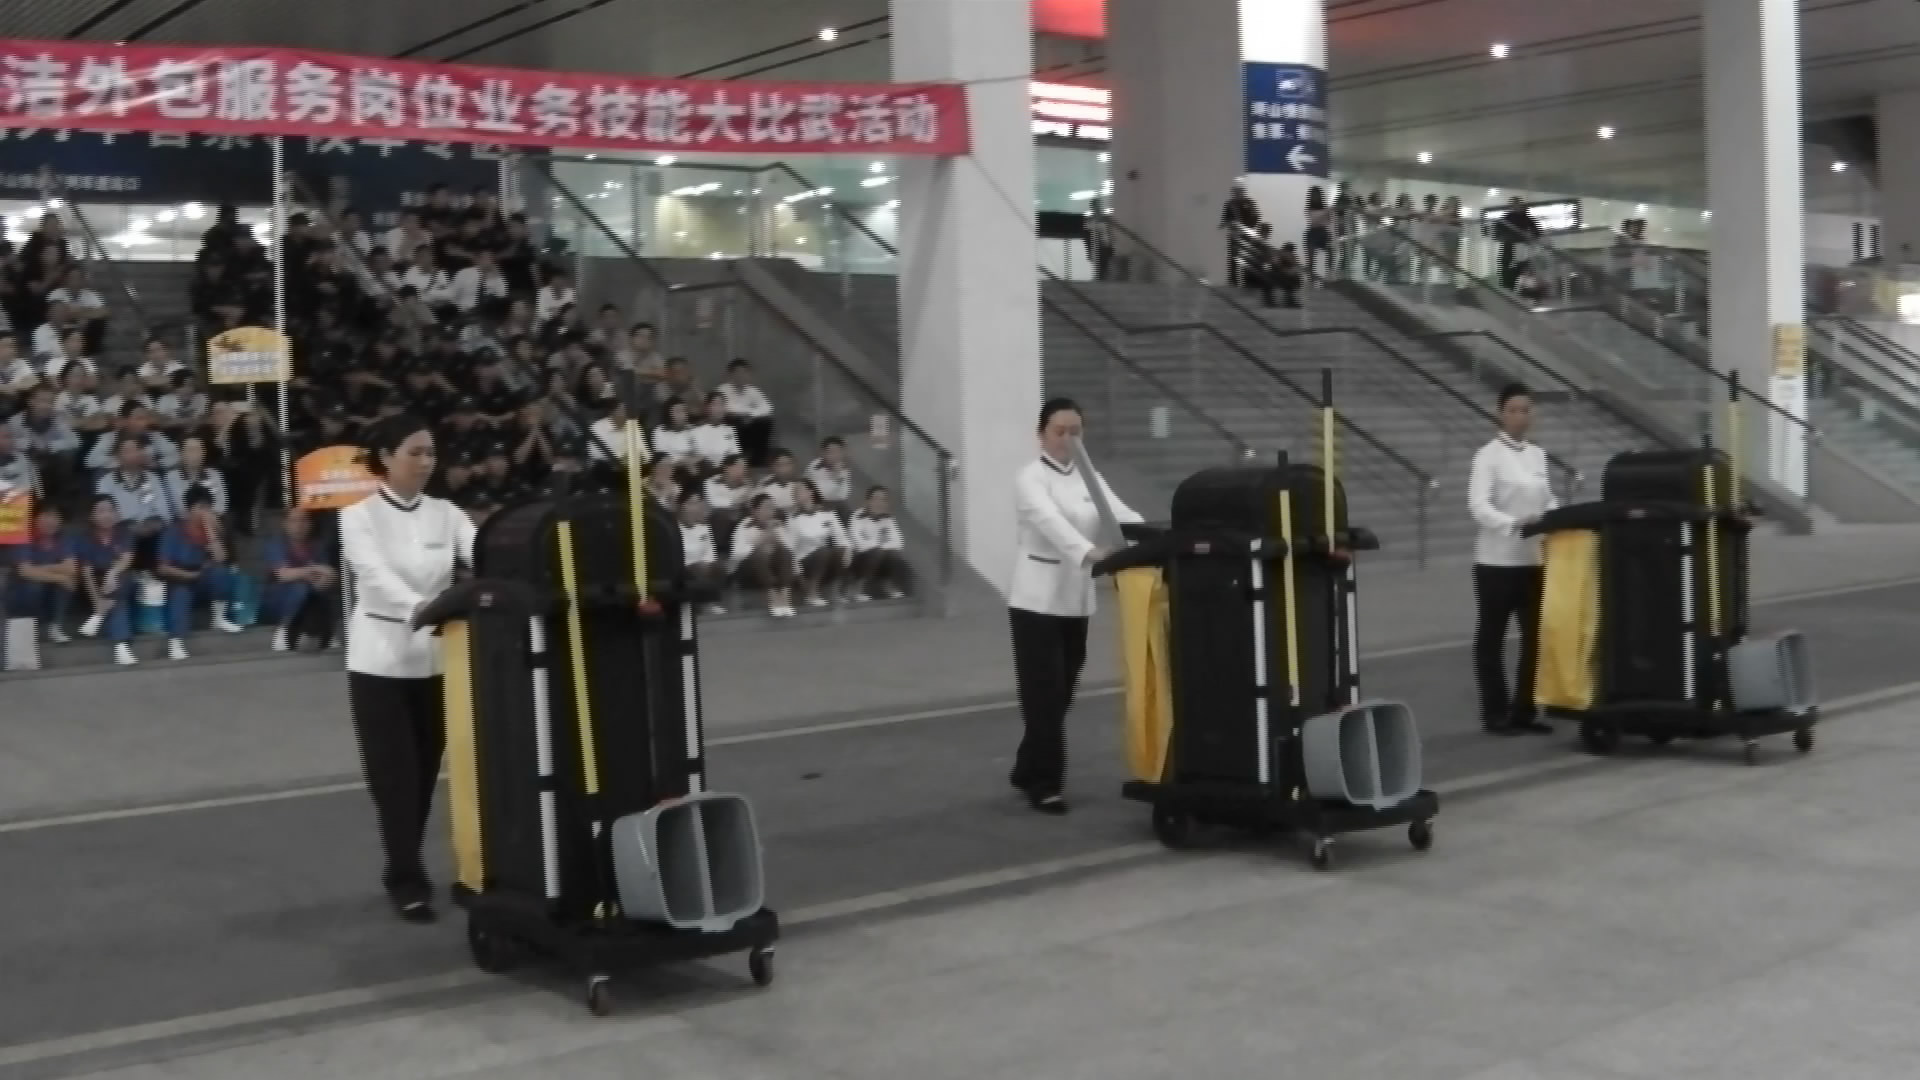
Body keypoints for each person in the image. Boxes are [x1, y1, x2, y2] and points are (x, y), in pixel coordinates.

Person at [339, 414, 477, 923]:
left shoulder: (447, 513)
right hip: (379, 660)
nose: (426, 461)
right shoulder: (357, 517)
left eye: (430, 452)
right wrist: (424, 608)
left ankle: (407, 863)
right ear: (386, 458)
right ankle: (404, 875)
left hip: (437, 662)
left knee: (423, 775)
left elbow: (484, 550)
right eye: (415, 452)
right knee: (393, 776)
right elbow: (374, 575)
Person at [1007, 398, 1141, 815]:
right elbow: (1051, 523)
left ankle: (1026, 767)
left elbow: (1122, 515)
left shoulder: (1089, 477)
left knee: (1060, 693)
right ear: (1041, 435)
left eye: (1075, 431)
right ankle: (1046, 784)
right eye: (1059, 431)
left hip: (1076, 601)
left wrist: (1155, 539)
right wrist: (1091, 552)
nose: (1067, 439)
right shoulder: (1029, 478)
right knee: (1044, 696)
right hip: (1036, 602)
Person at [1468, 384, 1557, 736]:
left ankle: (1525, 709)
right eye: (1513, 410)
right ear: (1500, 414)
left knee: (1536, 637)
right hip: (1496, 563)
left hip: (1531, 561)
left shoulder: (1537, 455)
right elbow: (1478, 505)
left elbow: (1547, 498)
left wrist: (1553, 517)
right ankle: (1495, 713)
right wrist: (1512, 524)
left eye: (1526, 410)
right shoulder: (1487, 456)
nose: (1520, 416)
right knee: (1492, 638)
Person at [155, 484, 243, 659]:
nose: (205, 512)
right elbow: (162, 568)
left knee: (220, 572)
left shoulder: (214, 529)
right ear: (189, 510)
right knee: (180, 595)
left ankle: (218, 618)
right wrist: (189, 575)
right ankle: (176, 642)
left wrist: (210, 529)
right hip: (179, 579)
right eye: (200, 507)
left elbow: (220, 558)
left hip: (203, 581)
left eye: (208, 508)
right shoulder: (173, 531)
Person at [262, 506, 338, 652]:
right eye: (294, 521)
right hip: (277, 600)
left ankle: (324, 634)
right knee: (301, 588)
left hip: (309, 598)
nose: (299, 525)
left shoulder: (318, 545)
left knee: (320, 592)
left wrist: (319, 577)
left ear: (310, 524)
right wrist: (313, 571)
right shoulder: (276, 544)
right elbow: (284, 575)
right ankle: (284, 630)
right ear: (285, 523)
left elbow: (329, 574)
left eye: (304, 520)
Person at [75, 494, 137, 666]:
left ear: (117, 513)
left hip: (118, 581)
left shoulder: (124, 533)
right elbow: (87, 575)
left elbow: (126, 560)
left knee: (122, 579)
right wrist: (97, 604)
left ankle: (102, 623)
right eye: (101, 511)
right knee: (118, 600)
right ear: (92, 516)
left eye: (110, 510)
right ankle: (121, 645)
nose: (106, 515)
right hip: (94, 585)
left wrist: (112, 573)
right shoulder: (85, 538)